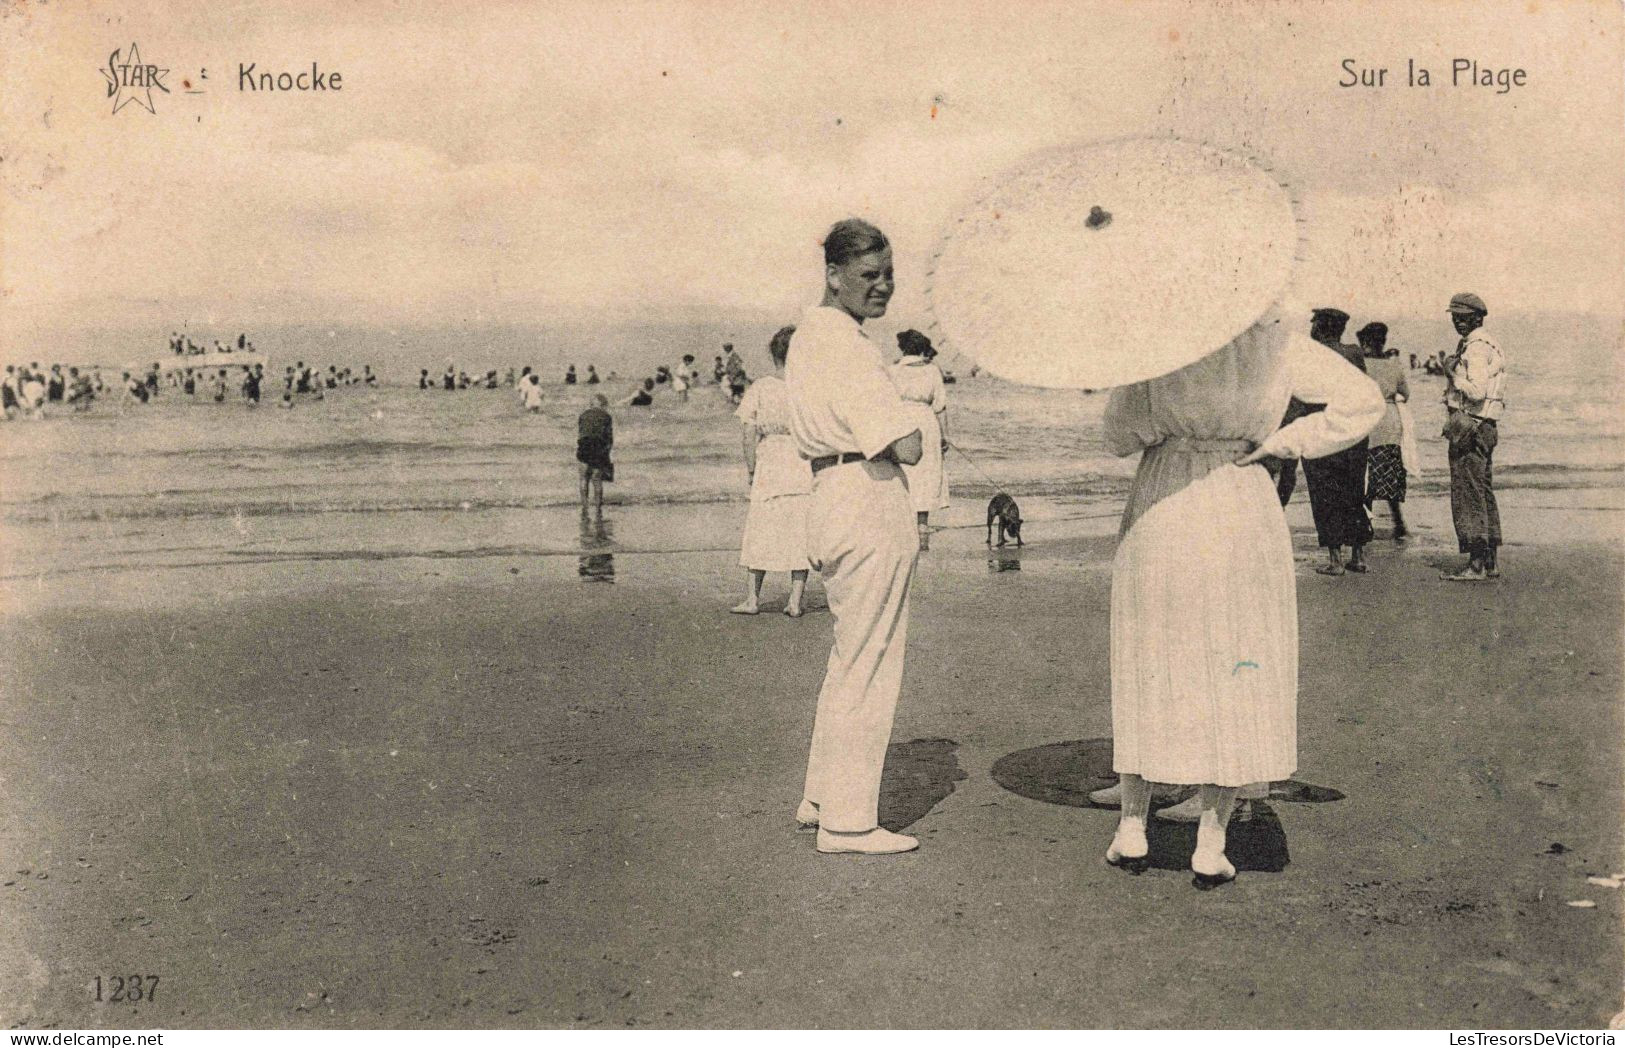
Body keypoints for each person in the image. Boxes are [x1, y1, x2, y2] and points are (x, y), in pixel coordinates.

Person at [1102, 309, 1383, 887]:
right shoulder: (1275, 340)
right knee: (1237, 654)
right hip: (1240, 490)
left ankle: (1133, 826)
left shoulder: (1160, 337)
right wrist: (1286, 441)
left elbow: (1118, 435)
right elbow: (1363, 401)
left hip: (1167, 495)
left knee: (1151, 653)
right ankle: (1212, 840)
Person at [785, 218, 924, 856]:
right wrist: (912, 410)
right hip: (866, 496)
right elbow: (908, 444)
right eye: (869, 276)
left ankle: (821, 796)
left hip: (828, 495)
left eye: (889, 274)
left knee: (849, 656)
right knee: (869, 663)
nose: (883, 287)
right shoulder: (846, 343)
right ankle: (848, 821)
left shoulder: (810, 337)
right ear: (834, 276)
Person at [732, 325, 813, 617]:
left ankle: (753, 599)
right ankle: (794, 601)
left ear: (773, 354)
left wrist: (751, 469)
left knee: (761, 527)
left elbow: (747, 434)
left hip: (771, 462)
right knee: (800, 530)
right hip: (801, 462)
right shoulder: (807, 388)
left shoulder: (761, 387)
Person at [1300, 308, 1373, 574]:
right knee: (1354, 491)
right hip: (1354, 433)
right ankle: (1358, 556)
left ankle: (1335, 560)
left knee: (1325, 494)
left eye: (1314, 324)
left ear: (1320, 328)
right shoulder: (1354, 353)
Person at [1440, 292, 1506, 581]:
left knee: (1468, 493)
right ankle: (1490, 562)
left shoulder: (1476, 348)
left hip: (1471, 425)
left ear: (1478, 317)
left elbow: (1476, 391)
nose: (1458, 322)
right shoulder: (1490, 344)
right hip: (1486, 425)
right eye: (1455, 317)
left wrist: (1451, 374)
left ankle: (1476, 565)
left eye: (1464, 317)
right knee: (1483, 492)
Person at [889, 329, 951, 550]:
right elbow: (940, 406)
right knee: (925, 471)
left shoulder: (892, 371)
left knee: (901, 469)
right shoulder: (933, 371)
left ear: (903, 349)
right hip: (926, 421)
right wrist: (945, 436)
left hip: (900, 420)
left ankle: (901, 520)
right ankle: (922, 523)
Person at [1358, 322, 1410, 539]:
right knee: (1389, 473)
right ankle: (1398, 523)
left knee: (1364, 473)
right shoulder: (1394, 366)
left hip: (1367, 420)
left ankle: (1364, 524)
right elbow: (1405, 395)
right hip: (1390, 421)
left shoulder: (1360, 365)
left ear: (1367, 342)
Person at [576, 394, 614, 514]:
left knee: (583, 478)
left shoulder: (583, 415)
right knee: (597, 479)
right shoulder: (607, 416)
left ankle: (585, 506)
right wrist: (607, 454)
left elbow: (581, 433)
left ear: (591, 404)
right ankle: (598, 507)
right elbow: (609, 437)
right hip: (598, 445)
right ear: (603, 405)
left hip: (584, 444)